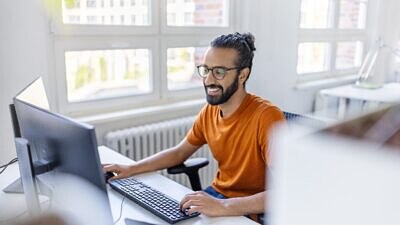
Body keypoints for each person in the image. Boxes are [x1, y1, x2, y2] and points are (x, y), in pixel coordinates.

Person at [104, 32, 285, 221]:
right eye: (206, 70)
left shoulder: (267, 117)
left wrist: (224, 206)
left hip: (249, 209)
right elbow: (179, 153)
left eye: (219, 72)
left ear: (243, 75)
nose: (208, 80)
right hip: (218, 196)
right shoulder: (209, 111)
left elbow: (288, 189)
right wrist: (131, 168)